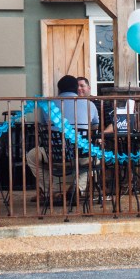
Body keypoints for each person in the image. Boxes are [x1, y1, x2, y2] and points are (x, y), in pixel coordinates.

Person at [25, 75, 99, 204]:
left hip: (55, 155)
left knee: (31, 156)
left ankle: (50, 190)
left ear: (59, 90)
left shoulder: (48, 105)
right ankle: (78, 188)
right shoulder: (90, 105)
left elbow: (43, 126)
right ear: (76, 89)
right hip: (80, 155)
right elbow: (95, 127)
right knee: (95, 159)